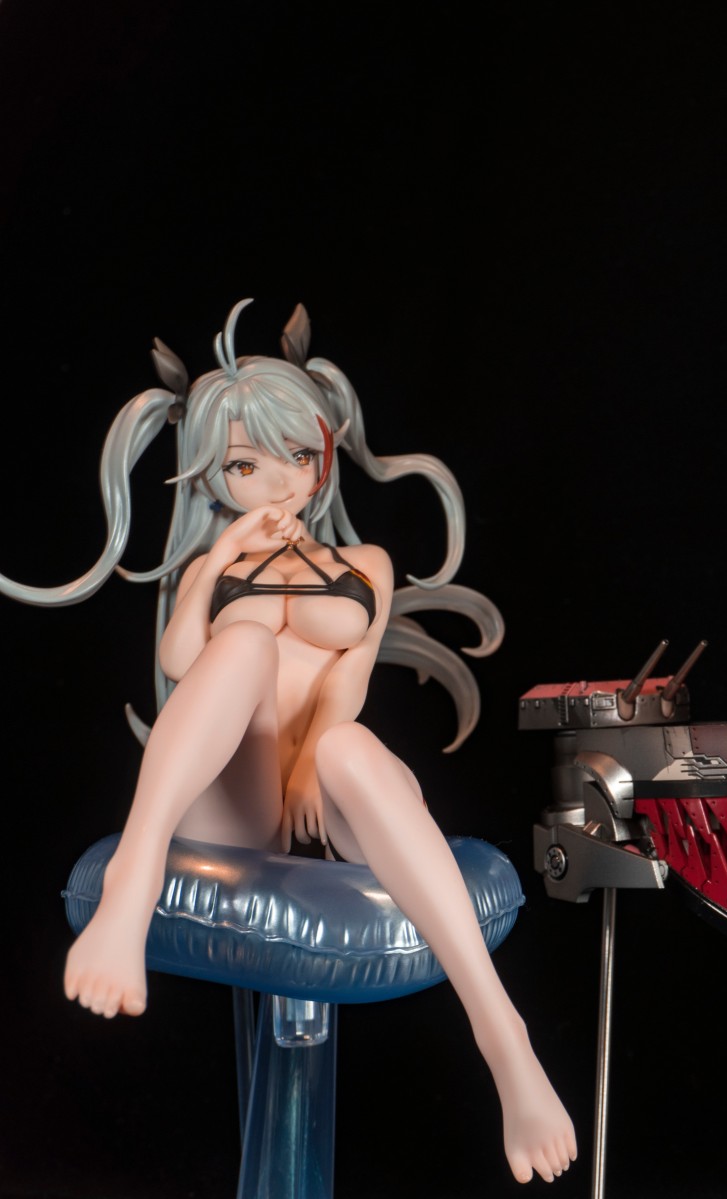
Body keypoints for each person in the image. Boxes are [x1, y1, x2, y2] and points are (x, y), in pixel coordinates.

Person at [1, 299, 577, 1184]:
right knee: (242, 647)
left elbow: (349, 682)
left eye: (295, 456)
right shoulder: (213, 568)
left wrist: (313, 761)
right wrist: (222, 553)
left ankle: (505, 1037)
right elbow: (180, 663)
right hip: (238, 808)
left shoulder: (366, 564)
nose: (275, 482)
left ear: (324, 457)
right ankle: (133, 880)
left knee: (348, 745)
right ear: (213, 477)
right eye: (244, 464)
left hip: (330, 802)